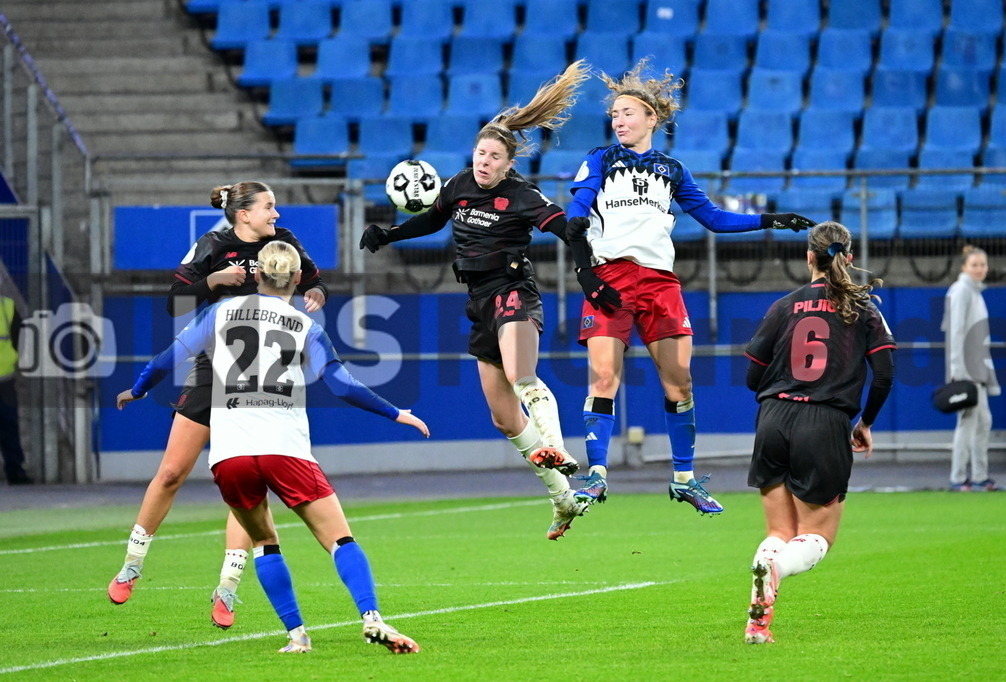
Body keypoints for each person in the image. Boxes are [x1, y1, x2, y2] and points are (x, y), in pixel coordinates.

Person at [116, 241, 425, 654]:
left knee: (264, 542)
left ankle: (297, 637)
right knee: (340, 541)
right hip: (285, 448)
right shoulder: (305, 326)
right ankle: (372, 618)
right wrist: (394, 412)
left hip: (230, 455)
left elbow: (163, 362)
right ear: (298, 279)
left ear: (256, 274)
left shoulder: (219, 312)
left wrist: (136, 390)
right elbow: (340, 385)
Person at [359, 60, 609, 540]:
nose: (484, 161)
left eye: (494, 156)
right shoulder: (459, 184)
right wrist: (390, 234)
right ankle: (561, 498)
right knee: (502, 417)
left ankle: (557, 446)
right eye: (480, 153)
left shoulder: (521, 194)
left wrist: (579, 250)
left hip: (513, 290)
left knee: (522, 377)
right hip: (477, 300)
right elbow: (433, 219)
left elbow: (562, 227)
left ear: (509, 163)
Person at [563, 59, 815, 513]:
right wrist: (582, 253)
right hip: (609, 280)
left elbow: (714, 218)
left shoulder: (672, 169)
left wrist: (771, 220)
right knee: (603, 377)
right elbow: (579, 206)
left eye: (626, 113)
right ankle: (597, 475)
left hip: (661, 284)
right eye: (614, 115)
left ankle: (683, 478)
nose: (618, 120)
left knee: (680, 384)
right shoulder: (600, 158)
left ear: (650, 118)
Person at [108, 181, 329, 630]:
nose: (276, 214)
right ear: (243, 213)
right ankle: (132, 563)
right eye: (269, 207)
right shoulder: (212, 245)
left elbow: (312, 279)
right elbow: (175, 304)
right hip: (213, 369)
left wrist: (317, 293)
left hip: (263, 379)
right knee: (171, 472)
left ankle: (226, 589)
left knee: (244, 487)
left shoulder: (283, 245)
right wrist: (213, 280)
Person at [741, 221, 896, 644]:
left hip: (772, 418)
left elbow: (752, 376)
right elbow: (883, 375)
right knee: (818, 535)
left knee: (778, 532)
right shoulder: (864, 309)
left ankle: (757, 625)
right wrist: (864, 423)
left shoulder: (783, 306)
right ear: (847, 257)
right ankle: (774, 571)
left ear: (808, 257)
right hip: (824, 422)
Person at [942, 245, 1002, 492]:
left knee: (983, 421)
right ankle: (958, 478)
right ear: (964, 267)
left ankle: (979, 476)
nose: (980, 269)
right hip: (966, 368)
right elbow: (955, 331)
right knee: (968, 422)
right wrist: (957, 369)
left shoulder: (976, 292)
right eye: (974, 265)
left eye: (983, 265)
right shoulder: (961, 290)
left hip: (977, 367)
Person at [0, 293, 31, 485]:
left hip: (5, 378)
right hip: (5, 378)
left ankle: (15, 471)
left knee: (9, 426)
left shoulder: (7, 305)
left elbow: (21, 338)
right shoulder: (7, 305)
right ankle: (15, 472)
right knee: (9, 425)